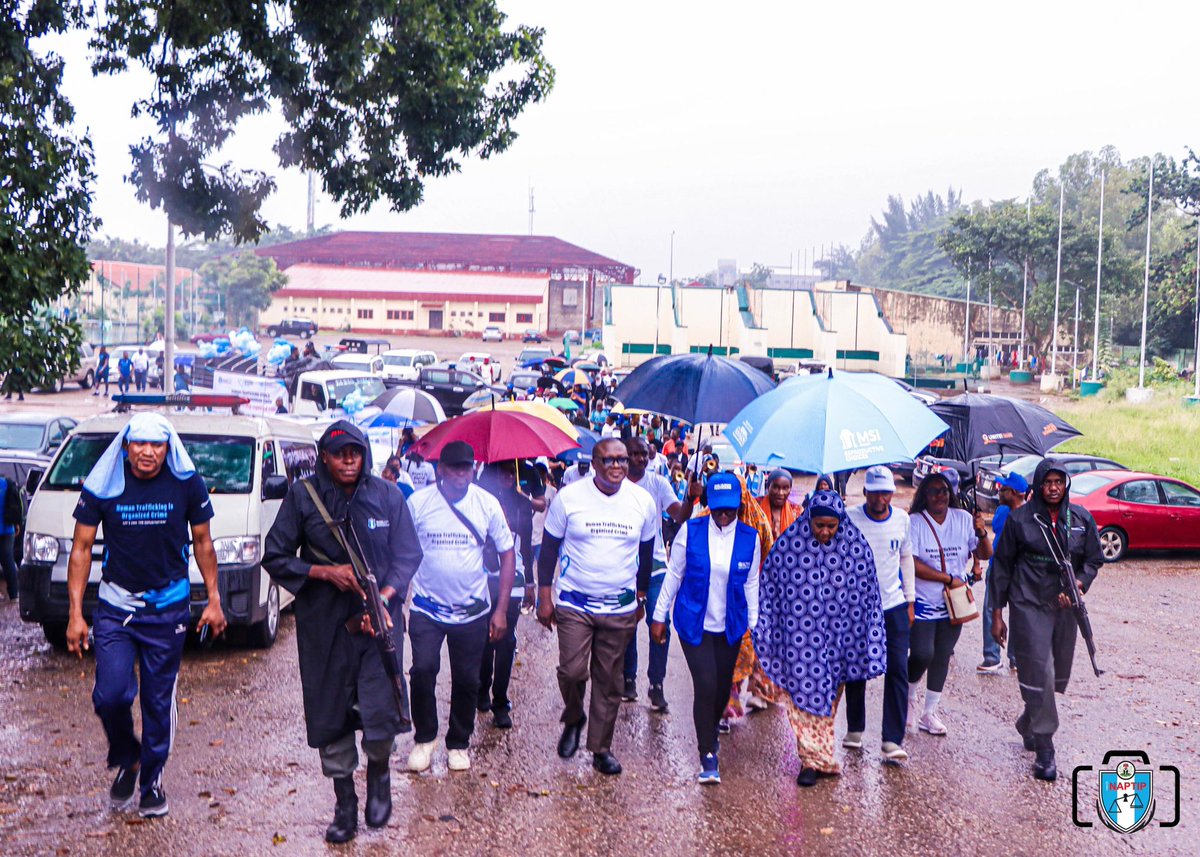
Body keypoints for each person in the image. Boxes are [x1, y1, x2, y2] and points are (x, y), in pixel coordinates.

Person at [263, 421, 423, 842]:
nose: (348, 460)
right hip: (324, 626)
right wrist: (323, 572)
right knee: (330, 710)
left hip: (378, 624)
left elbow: (408, 555)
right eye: (339, 454)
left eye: (355, 452)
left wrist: (383, 598)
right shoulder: (303, 496)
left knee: (382, 704)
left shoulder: (387, 495)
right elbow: (275, 556)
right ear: (324, 457)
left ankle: (379, 775)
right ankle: (344, 803)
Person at [65, 413, 227, 818]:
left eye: (156, 444)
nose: (148, 452)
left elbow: (203, 542)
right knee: (110, 695)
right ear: (126, 447)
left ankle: (151, 781)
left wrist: (214, 599)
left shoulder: (186, 483)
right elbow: (81, 548)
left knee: (157, 701)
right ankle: (128, 757)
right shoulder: (104, 484)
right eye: (140, 444)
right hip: (116, 607)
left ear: (168, 448)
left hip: (168, 609)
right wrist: (75, 614)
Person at [536, 438, 657, 776]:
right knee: (572, 671)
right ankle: (574, 716)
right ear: (594, 463)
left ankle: (601, 749)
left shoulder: (642, 502)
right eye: (609, 460)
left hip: (619, 606)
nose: (617, 466)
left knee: (609, 680)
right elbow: (548, 549)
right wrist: (544, 597)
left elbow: (646, 554)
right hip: (574, 601)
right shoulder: (569, 498)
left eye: (622, 460)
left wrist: (641, 597)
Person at [752, 489, 886, 786]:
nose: (825, 532)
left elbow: (868, 595)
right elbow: (770, 588)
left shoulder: (856, 550)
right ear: (809, 520)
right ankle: (811, 761)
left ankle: (820, 756)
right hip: (800, 643)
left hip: (840, 643)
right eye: (819, 525)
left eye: (831, 526)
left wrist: (861, 634)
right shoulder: (788, 549)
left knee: (827, 702)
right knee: (804, 699)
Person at [405, 441, 516, 773]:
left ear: (473, 469)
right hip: (426, 607)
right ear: (441, 469)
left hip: (472, 610)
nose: (461, 474)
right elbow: (402, 550)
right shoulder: (419, 503)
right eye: (454, 468)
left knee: (467, 679)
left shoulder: (487, 504)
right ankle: (425, 739)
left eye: (466, 468)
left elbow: (507, 553)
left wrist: (500, 610)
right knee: (422, 670)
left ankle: (458, 742)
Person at [990, 460, 1103, 781]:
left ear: (1065, 485)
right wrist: (997, 614)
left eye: (1059, 482)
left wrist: (1079, 583)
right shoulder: (1020, 520)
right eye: (1047, 482)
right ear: (1038, 485)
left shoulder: (1080, 518)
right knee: (1041, 670)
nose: (1053, 488)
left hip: (1065, 606)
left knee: (1057, 673)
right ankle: (1045, 748)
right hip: (1029, 603)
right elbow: (1001, 567)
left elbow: (1093, 559)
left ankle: (1028, 720)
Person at [650, 473, 760, 784]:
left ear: (738, 507)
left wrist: (755, 626)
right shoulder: (691, 531)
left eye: (730, 510)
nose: (724, 516)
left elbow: (751, 584)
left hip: (730, 626)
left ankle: (710, 729)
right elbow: (674, 575)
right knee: (706, 684)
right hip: (693, 623)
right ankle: (708, 753)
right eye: (718, 509)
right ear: (709, 505)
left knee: (723, 688)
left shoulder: (750, 538)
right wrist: (659, 616)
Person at [906, 469, 992, 736]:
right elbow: (912, 563)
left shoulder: (964, 518)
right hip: (923, 601)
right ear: (924, 495)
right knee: (922, 653)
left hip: (954, 603)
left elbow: (985, 554)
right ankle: (908, 696)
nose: (939, 496)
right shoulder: (914, 522)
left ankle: (929, 713)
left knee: (942, 655)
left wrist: (981, 533)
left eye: (943, 491)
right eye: (933, 491)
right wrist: (947, 578)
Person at [621, 436, 701, 711]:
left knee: (660, 623)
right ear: (625, 455)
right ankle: (628, 678)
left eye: (644, 454)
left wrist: (690, 497)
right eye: (635, 454)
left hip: (655, 564)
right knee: (627, 623)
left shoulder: (658, 483)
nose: (640, 459)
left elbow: (680, 515)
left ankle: (656, 684)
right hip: (624, 566)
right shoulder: (615, 484)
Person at [844, 466, 915, 762]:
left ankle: (892, 739)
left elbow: (906, 558)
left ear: (892, 494)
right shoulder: (849, 517)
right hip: (857, 607)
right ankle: (855, 728)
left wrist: (910, 599)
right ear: (865, 493)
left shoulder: (901, 519)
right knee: (856, 667)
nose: (880, 499)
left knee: (898, 668)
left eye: (885, 493)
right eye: (874, 493)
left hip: (893, 605)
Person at [476, 461, 535, 728]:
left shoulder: (522, 503)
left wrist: (531, 583)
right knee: (485, 638)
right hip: (483, 577)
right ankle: (482, 687)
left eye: (512, 472)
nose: (508, 476)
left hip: (515, 579)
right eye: (503, 471)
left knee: (506, 639)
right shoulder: (481, 501)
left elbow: (528, 545)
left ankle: (500, 701)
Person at [979, 471, 1029, 674]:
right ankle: (1007, 658)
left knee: (1001, 610)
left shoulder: (1010, 513)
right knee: (1004, 611)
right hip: (1006, 567)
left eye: (1003, 489)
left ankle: (999, 657)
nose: (999, 492)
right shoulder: (1013, 512)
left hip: (1008, 568)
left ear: (1015, 493)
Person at [0, 470, 24, 598]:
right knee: (9, 562)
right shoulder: (7, 484)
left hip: (7, 528)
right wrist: (16, 523)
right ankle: (14, 594)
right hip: (7, 529)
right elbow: (15, 506)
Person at [759, 469, 801, 540]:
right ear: (768, 487)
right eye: (775, 487)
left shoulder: (797, 511)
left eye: (785, 488)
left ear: (790, 489)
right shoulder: (756, 506)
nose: (780, 493)